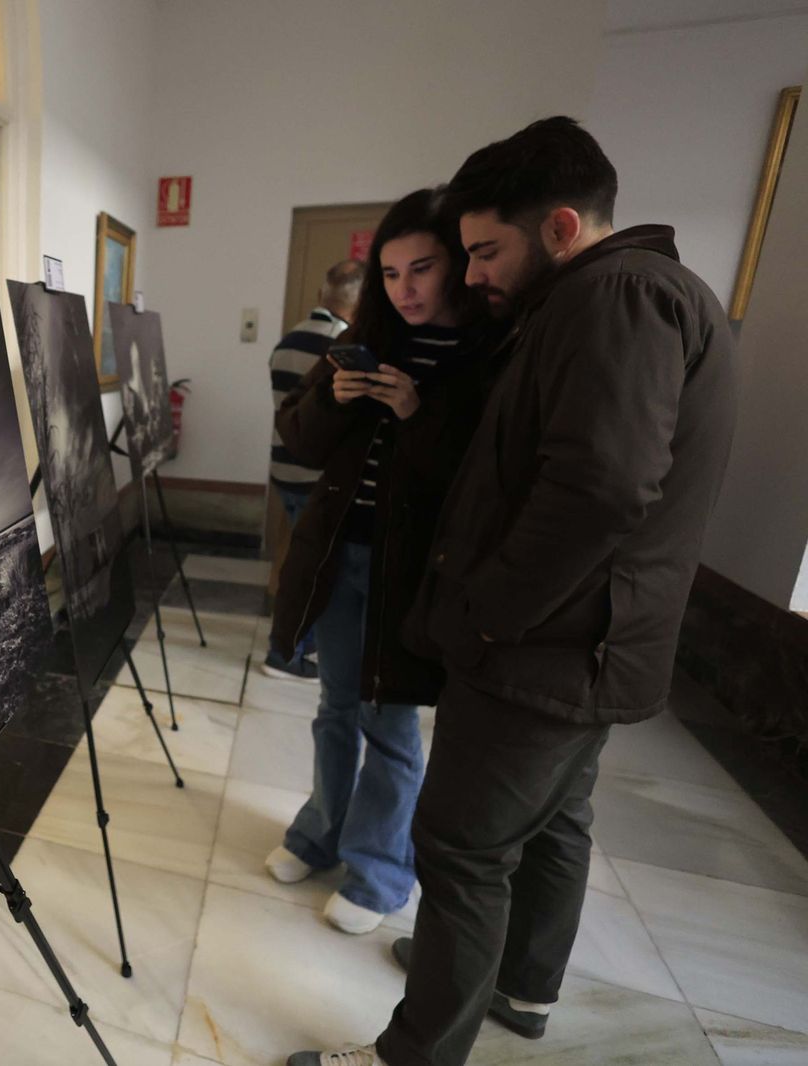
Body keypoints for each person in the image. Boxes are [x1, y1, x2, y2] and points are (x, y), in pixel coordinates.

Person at [290, 117, 737, 1066]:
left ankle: (413, 1053)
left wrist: (483, 612)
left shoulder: (613, 297)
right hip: (587, 643)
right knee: (551, 823)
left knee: (460, 848)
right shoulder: (642, 293)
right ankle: (521, 987)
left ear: (563, 228)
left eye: (485, 251)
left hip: (544, 647)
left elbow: (599, 488)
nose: (473, 274)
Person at [263, 188, 493, 936]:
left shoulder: (487, 352)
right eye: (391, 274)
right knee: (333, 706)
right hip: (338, 555)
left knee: (390, 722)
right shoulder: (364, 339)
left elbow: (477, 481)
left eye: (421, 269)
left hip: (413, 572)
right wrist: (338, 395)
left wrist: (413, 413)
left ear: (455, 265)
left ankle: (381, 872)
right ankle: (319, 834)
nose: (405, 289)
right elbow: (298, 438)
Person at [263, 258, 365, 681]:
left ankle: (295, 643)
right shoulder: (340, 346)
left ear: (324, 294)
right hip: (314, 472)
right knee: (315, 569)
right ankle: (288, 652)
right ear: (356, 304)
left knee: (299, 560)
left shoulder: (288, 339)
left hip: (283, 467)